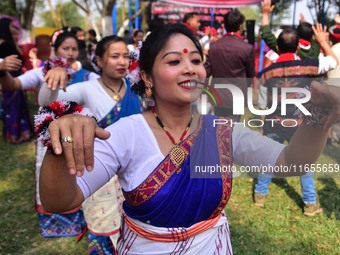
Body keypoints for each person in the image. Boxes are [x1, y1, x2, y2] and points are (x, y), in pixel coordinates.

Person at [38, 23, 340, 254]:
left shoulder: (222, 131)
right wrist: (59, 145)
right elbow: (60, 200)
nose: (189, 69)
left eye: (196, 60)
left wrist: (318, 117)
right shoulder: (126, 133)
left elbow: (291, 163)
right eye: (173, 62)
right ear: (146, 78)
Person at [39, 35, 141, 253]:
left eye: (125, 56)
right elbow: (47, 102)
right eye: (114, 56)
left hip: (133, 171)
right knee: (102, 226)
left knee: (135, 227)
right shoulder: (87, 88)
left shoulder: (136, 88)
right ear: (99, 60)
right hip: (99, 172)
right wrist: (54, 76)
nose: (122, 62)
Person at [0, 28, 99, 238]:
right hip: (50, 139)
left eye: (74, 48)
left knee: (82, 171)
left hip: (79, 135)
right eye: (65, 48)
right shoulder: (42, 72)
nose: (70, 53)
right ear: (55, 49)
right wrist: (2, 70)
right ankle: (56, 223)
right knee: (49, 174)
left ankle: (87, 217)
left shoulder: (87, 75)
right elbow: (14, 84)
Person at [254, 0, 338, 216]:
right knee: (305, 162)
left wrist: (264, 118)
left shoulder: (268, 71)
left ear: (278, 47)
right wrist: (322, 40)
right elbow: (333, 61)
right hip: (300, 123)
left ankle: (260, 195)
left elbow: (262, 99)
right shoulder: (309, 65)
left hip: (274, 120)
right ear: (298, 46)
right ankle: (310, 204)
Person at [204, 9, 255, 119]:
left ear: (225, 26)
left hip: (217, 96)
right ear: (240, 26)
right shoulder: (247, 48)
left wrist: (204, 93)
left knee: (217, 128)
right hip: (237, 96)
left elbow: (206, 72)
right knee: (233, 131)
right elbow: (250, 75)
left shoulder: (214, 47)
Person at [0, 17, 33, 144]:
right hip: (11, 79)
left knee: (11, 107)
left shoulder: (8, 43)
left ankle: (12, 134)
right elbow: (19, 59)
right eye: (12, 27)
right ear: (5, 28)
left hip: (13, 79)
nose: (15, 31)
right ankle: (18, 134)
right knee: (15, 107)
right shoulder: (6, 45)